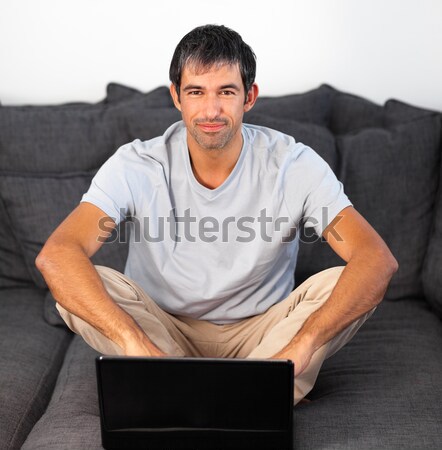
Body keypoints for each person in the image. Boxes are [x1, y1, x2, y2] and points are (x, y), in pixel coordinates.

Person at [36, 24, 398, 404]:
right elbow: (57, 254)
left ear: (249, 97)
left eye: (226, 92)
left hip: (262, 333)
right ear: (176, 96)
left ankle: (190, 392)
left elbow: (375, 259)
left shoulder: (293, 164)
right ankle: (249, 395)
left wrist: (302, 346)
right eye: (196, 92)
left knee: (343, 281)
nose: (211, 110)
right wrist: (134, 343)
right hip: (162, 327)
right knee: (81, 279)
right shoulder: (137, 164)